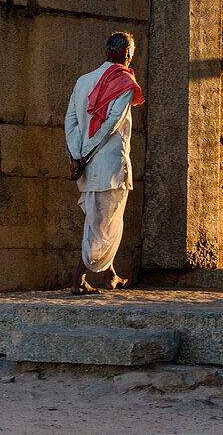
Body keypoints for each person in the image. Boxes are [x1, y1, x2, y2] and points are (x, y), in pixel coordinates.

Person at [64, 31, 144, 295]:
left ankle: (111, 276)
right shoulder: (124, 81)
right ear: (125, 53)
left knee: (98, 220)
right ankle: (78, 281)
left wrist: (76, 156)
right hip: (109, 167)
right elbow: (112, 122)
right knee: (103, 226)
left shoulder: (84, 80)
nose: (131, 57)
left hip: (87, 169)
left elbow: (71, 122)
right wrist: (83, 155)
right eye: (130, 52)